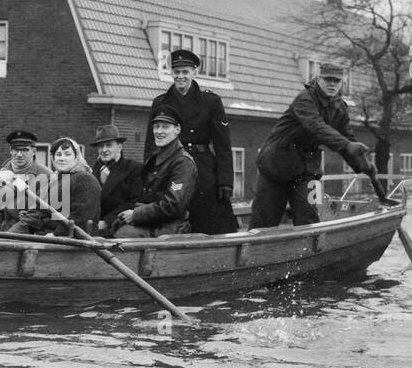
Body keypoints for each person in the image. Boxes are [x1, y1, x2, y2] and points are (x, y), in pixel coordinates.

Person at [248, 62, 369, 228]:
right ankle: (256, 252)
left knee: (310, 217)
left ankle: (310, 251)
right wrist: (347, 145)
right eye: (328, 80)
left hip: (307, 169)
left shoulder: (340, 107)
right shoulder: (305, 99)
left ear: (342, 83)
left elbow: (347, 136)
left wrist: (362, 164)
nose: (332, 84)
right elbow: (317, 126)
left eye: (337, 81)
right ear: (319, 79)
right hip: (276, 164)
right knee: (264, 220)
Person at [145, 48, 238, 234]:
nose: (181, 77)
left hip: (203, 167)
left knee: (209, 223)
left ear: (194, 73)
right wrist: (149, 179)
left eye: (185, 72)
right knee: (170, 219)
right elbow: (150, 145)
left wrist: (225, 181)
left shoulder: (211, 102)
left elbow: (223, 146)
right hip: (170, 168)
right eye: (176, 72)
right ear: (171, 73)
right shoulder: (161, 103)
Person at [113, 107, 197, 237]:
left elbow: (173, 206)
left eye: (165, 127)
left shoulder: (183, 163)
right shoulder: (154, 159)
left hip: (171, 228)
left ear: (177, 130)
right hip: (153, 223)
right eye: (156, 127)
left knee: (123, 236)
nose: (159, 131)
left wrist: (136, 214)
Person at [19, 137, 101, 237]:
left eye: (67, 154)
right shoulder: (56, 180)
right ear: (53, 158)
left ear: (76, 157)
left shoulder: (84, 179)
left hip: (74, 240)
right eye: (58, 155)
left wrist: (56, 234)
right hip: (44, 234)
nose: (62, 158)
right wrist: (30, 216)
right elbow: (46, 210)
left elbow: (81, 217)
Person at [0, 128, 53, 232]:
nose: (19, 154)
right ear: (10, 151)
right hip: (5, 233)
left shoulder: (46, 175)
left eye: (25, 150)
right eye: (16, 149)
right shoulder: (3, 173)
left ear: (34, 151)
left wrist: (12, 234)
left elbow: (40, 214)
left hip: (32, 235)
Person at [87, 124, 143, 234]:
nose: (104, 150)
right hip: (95, 226)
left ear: (120, 146)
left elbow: (134, 202)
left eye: (108, 145)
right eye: (100, 146)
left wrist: (108, 221)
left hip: (120, 226)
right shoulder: (95, 170)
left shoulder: (134, 168)